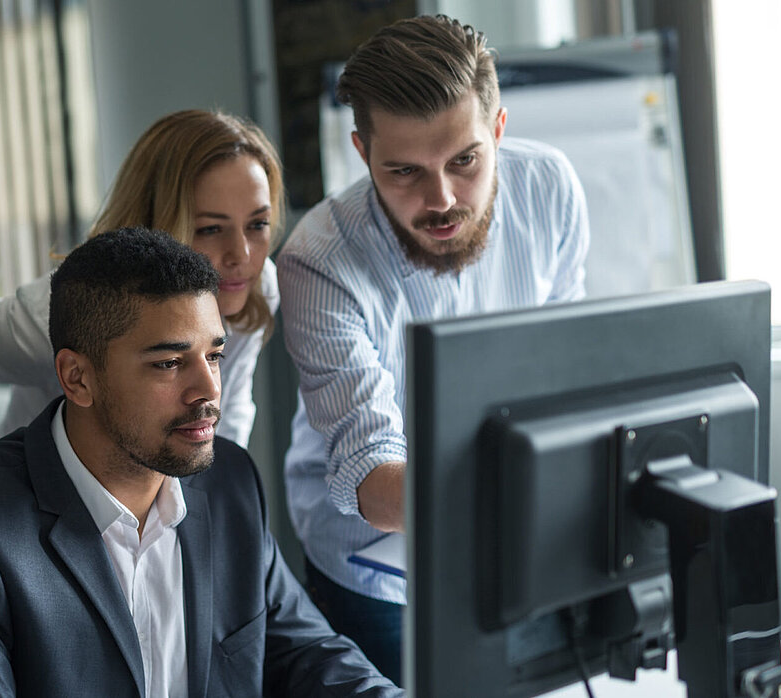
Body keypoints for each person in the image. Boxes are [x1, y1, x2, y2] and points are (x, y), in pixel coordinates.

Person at [0, 228, 401, 697]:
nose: (208, 390)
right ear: (77, 377)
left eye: (214, 356)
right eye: (169, 363)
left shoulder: (229, 483)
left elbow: (308, 654)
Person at [0, 110, 284, 591]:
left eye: (258, 224)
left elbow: (228, 418)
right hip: (32, 529)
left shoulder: (253, 285)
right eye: (211, 229)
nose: (242, 254)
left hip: (147, 519)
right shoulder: (57, 315)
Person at [278, 15, 590, 683]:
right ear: (363, 153)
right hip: (376, 566)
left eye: (465, 160)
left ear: (498, 128)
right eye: (405, 172)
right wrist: (551, 480)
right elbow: (372, 480)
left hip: (522, 536)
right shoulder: (317, 263)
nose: (442, 199)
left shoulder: (550, 188)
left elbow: (567, 369)